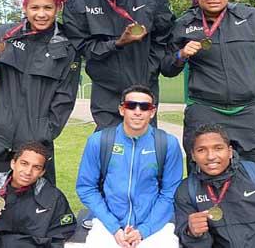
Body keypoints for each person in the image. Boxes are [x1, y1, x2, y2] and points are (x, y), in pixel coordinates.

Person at [161, 0, 255, 167]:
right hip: (205, 110)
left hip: (249, 110)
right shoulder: (184, 24)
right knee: (203, 169)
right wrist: (182, 54)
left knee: (251, 174)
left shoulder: (253, 17)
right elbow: (168, 68)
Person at [0, 0, 81, 184]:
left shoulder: (67, 48)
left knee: (39, 201)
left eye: (47, 8)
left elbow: (65, 97)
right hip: (0, 135)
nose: (41, 14)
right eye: (34, 7)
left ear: (57, 8)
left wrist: (44, 133)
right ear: (24, 8)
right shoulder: (5, 34)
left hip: (37, 140)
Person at [63, 0, 175, 130]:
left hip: (144, 87)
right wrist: (117, 43)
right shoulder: (78, 1)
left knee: (145, 148)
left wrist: (150, 69)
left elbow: (164, 36)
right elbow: (81, 46)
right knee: (108, 148)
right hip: (105, 91)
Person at [76, 85, 183, 248]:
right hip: (108, 225)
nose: (138, 111)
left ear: (152, 112)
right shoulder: (99, 141)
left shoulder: (168, 143)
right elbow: (86, 188)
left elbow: (170, 192)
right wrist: (114, 228)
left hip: (154, 226)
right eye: (131, 105)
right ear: (121, 109)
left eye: (144, 107)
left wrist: (143, 230)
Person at [174, 124, 255, 248]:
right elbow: (189, 241)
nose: (210, 156)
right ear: (193, 155)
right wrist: (192, 234)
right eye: (201, 150)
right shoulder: (186, 190)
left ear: (230, 151)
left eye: (218, 148)